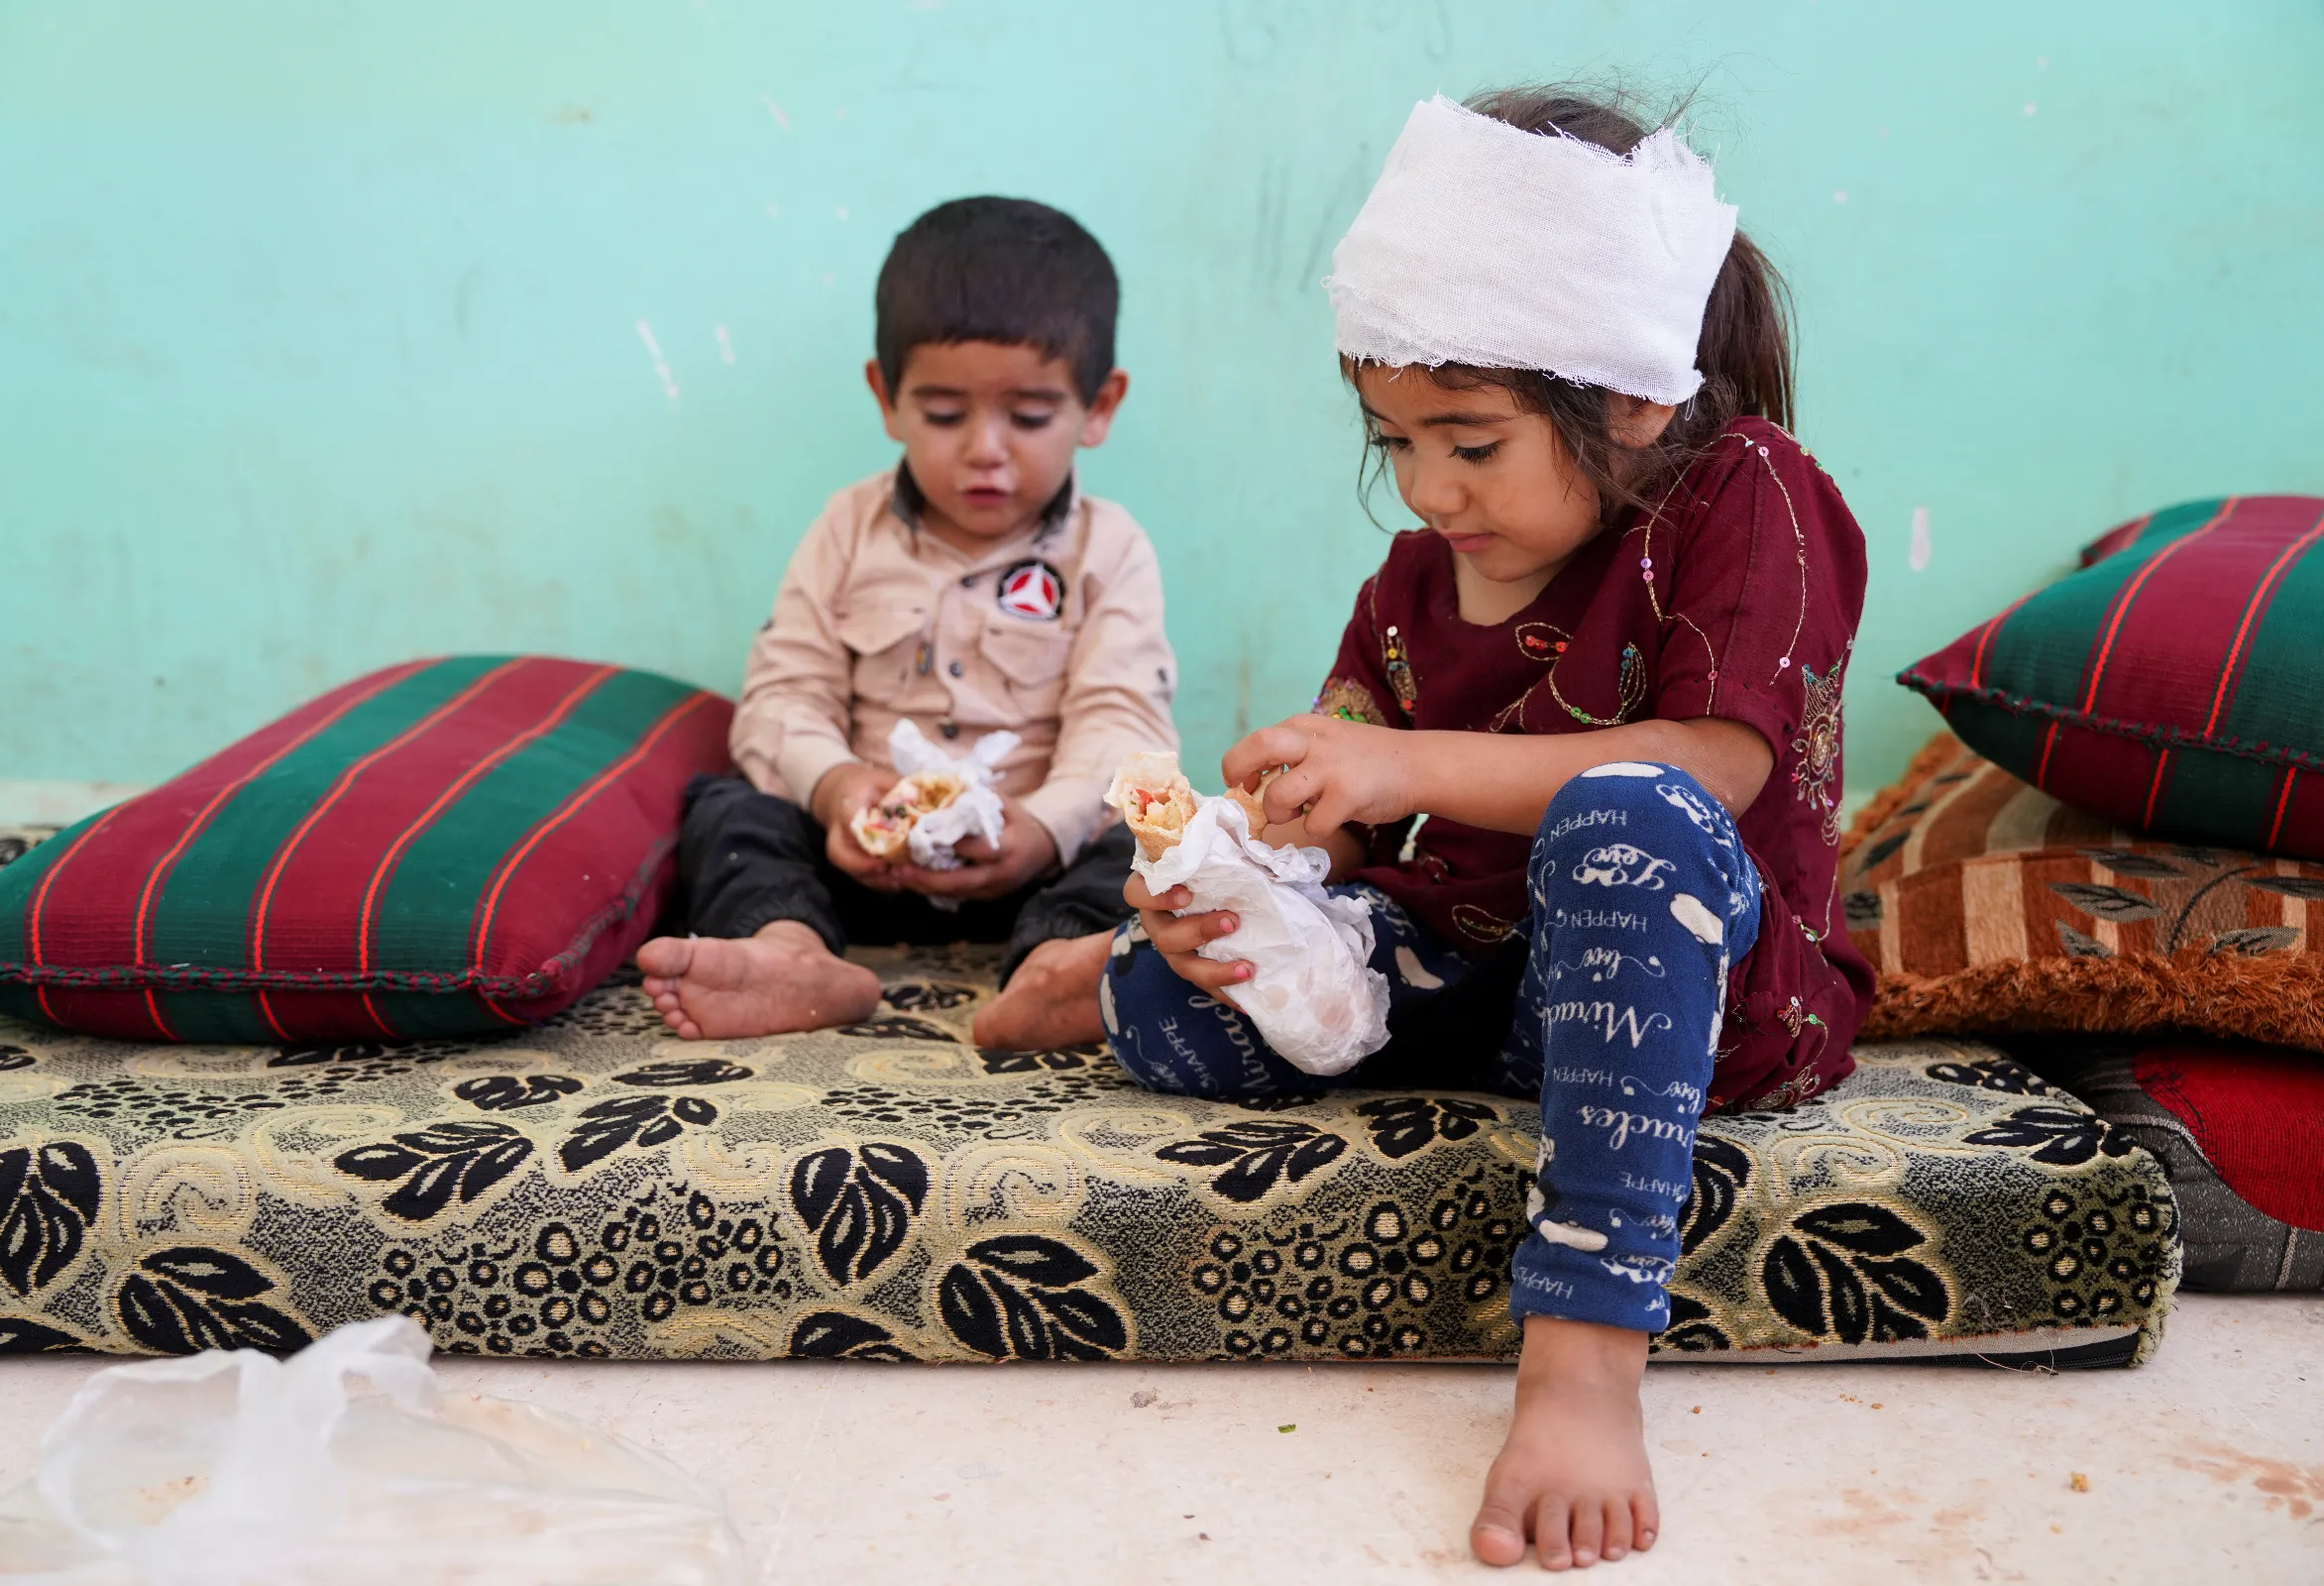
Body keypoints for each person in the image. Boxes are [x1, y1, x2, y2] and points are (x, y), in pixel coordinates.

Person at [1102, 88, 1872, 1570]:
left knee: (1624, 818)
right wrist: (1264, 864)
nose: (1427, 490)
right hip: (1468, 988)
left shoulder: (1744, 492)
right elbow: (1349, 830)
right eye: (1394, 440)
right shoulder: (1409, 582)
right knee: (1161, 995)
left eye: (1470, 442)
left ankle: (1583, 1360)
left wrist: (1398, 766)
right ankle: (1096, 971)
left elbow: (1713, 768)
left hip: (1697, 999)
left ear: (1635, 396)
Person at [638, 197, 1175, 1050]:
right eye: (944, 414)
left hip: (1034, 864)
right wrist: (841, 790)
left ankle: (1060, 968)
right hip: (861, 862)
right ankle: (793, 954)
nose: (985, 449)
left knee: (1155, 836)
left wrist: (1041, 832)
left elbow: (1123, 725)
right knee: (731, 814)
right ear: (887, 398)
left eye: (1030, 416)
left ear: (1098, 406)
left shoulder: (1110, 551)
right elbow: (783, 699)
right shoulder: (847, 531)